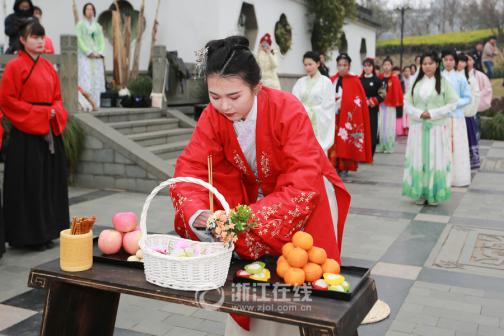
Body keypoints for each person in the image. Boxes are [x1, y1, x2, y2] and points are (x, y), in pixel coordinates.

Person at [169, 35, 351, 335]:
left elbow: (303, 181)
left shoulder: (287, 109)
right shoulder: (211, 117)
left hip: (306, 201)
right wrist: (198, 214)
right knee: (252, 285)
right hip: (254, 201)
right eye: (215, 96)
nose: (224, 106)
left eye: (234, 96)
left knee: (297, 287)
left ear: (257, 87)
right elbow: (191, 168)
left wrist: (245, 218)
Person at [0, 19, 69, 251]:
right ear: (22, 40)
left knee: (48, 184)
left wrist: (55, 111)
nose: (40, 41)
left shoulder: (48, 67)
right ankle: (28, 236)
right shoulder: (14, 67)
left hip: (49, 131)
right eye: (34, 37)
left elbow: (58, 98)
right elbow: (7, 100)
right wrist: (41, 113)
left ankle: (48, 230)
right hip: (26, 136)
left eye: (42, 37)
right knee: (29, 185)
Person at [402, 51, 459, 206]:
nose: (427, 66)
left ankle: (434, 192)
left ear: (437, 64)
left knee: (436, 159)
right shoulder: (415, 83)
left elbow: (453, 103)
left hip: (437, 129)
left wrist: (433, 113)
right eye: (425, 64)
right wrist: (420, 113)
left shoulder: (444, 83)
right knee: (418, 159)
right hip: (418, 128)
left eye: (431, 63)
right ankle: (419, 192)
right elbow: (407, 103)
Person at [328, 53, 372, 175]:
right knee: (333, 142)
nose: (342, 68)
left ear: (349, 66)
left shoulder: (354, 81)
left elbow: (357, 101)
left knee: (346, 142)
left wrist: (344, 102)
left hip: (347, 117)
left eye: (345, 65)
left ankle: (345, 167)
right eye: (339, 65)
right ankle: (333, 165)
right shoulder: (332, 80)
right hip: (334, 116)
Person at [292, 51, 336, 152]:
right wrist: (303, 111)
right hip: (303, 120)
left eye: (310, 64)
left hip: (319, 122)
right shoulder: (300, 82)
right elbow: (294, 102)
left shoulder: (326, 82)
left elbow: (328, 105)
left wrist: (311, 111)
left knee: (317, 150)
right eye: (305, 65)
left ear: (318, 64)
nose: (307, 67)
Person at [442, 49, 472, 187]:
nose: (448, 62)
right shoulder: (438, 77)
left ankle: (458, 178)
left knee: (458, 148)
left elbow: (468, 97)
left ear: (455, 62)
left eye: (451, 60)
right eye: (445, 59)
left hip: (457, 118)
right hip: (441, 118)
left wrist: (455, 103)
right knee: (442, 147)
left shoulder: (460, 77)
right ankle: (442, 177)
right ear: (442, 61)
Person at [76, 3, 106, 109]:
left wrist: (100, 52)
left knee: (96, 79)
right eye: (88, 9)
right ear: (84, 11)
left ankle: (96, 104)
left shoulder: (98, 27)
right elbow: (79, 40)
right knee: (85, 79)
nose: (90, 11)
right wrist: (88, 52)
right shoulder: (80, 25)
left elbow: (102, 41)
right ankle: (86, 104)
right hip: (85, 57)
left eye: (92, 9)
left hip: (96, 57)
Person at [457, 53, 481, 171]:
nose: (460, 63)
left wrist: (468, 109)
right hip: (455, 114)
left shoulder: (471, 78)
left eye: (463, 61)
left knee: (468, 137)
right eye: (459, 61)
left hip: (466, 114)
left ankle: (471, 160)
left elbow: (476, 95)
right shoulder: (452, 76)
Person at [378, 57, 403, 153]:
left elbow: (397, 92)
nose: (386, 67)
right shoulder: (380, 77)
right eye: (385, 65)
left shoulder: (394, 78)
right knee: (381, 125)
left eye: (388, 65)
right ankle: (382, 145)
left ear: (391, 66)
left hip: (390, 105)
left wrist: (393, 100)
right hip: (381, 104)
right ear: (382, 66)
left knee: (389, 125)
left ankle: (389, 146)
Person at [360, 57, 384, 157]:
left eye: (369, 66)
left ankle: (370, 154)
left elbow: (382, 95)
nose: (367, 68)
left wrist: (372, 101)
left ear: (372, 67)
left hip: (372, 110)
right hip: (361, 109)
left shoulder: (377, 80)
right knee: (361, 130)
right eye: (365, 66)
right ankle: (361, 154)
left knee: (372, 130)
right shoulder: (359, 80)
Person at [467, 53, 493, 140]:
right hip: (463, 106)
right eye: (465, 60)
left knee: (475, 125)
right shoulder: (459, 74)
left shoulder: (480, 75)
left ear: (473, 61)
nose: (467, 62)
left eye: (469, 60)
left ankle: (475, 145)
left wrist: (477, 95)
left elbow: (487, 88)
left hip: (475, 104)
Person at [393, 66, 406, 136]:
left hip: (400, 98)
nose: (395, 72)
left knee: (399, 115)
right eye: (394, 71)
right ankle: (395, 130)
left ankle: (400, 130)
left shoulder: (401, 80)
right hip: (393, 99)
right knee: (394, 115)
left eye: (397, 71)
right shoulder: (391, 79)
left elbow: (403, 90)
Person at [402, 66, 414, 135]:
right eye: (405, 71)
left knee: (410, 113)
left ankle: (410, 128)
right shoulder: (402, 80)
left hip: (410, 98)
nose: (407, 72)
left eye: (408, 71)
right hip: (404, 98)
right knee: (404, 114)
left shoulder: (413, 79)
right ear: (403, 72)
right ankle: (405, 128)